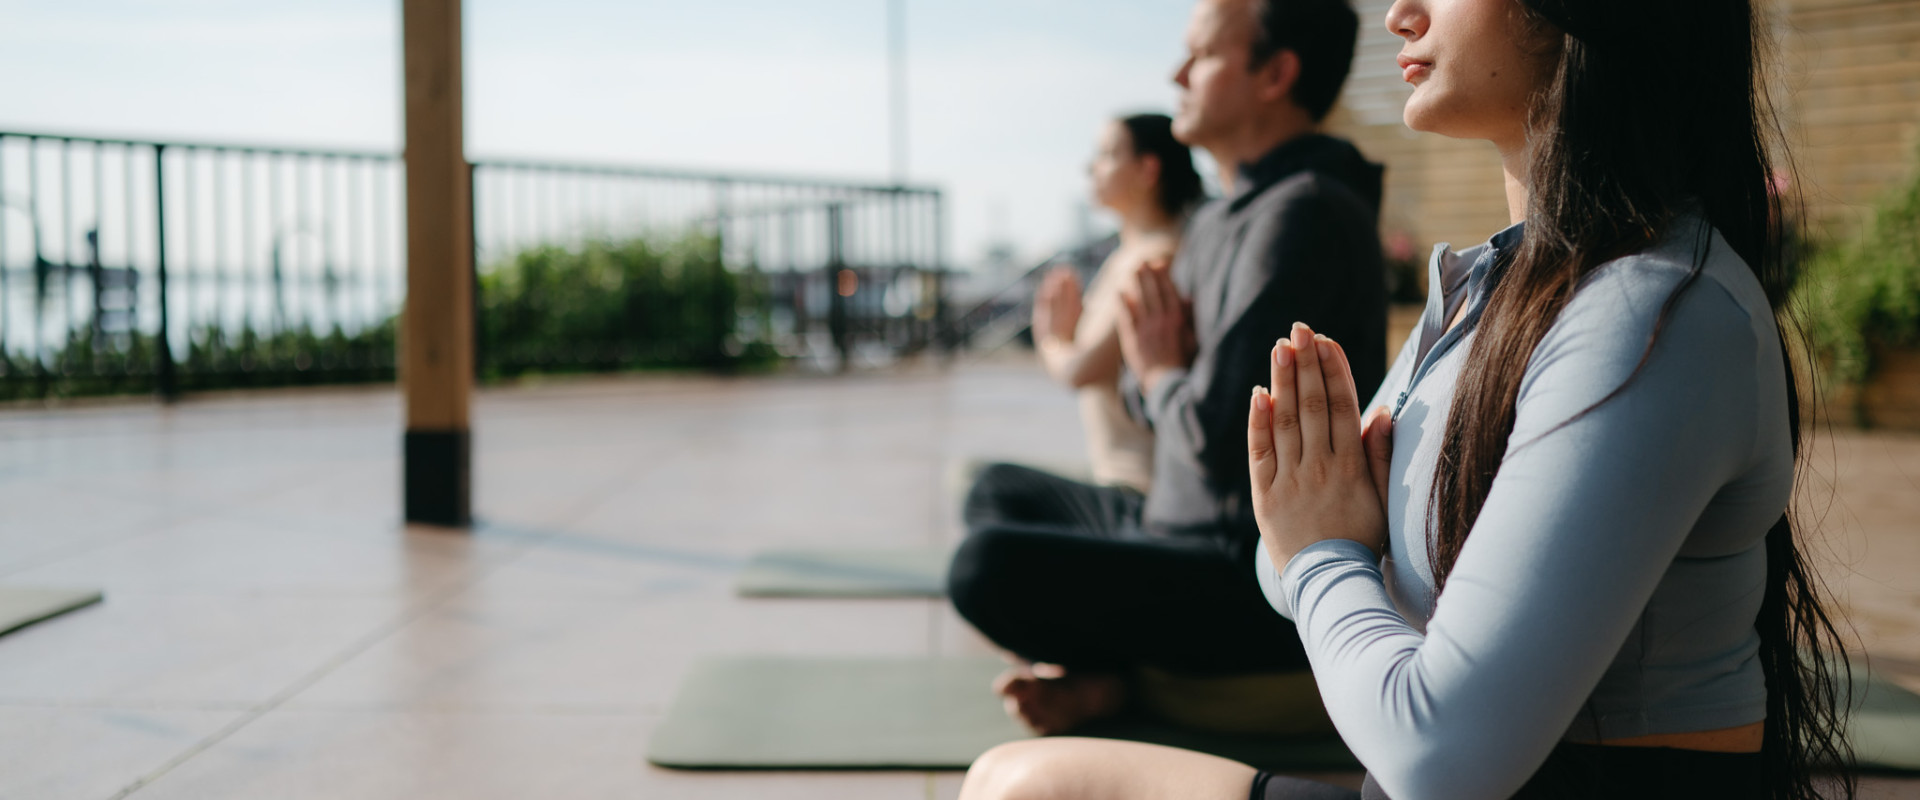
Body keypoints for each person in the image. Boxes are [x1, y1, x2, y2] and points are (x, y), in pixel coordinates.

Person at [957, 0, 1855, 797]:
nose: (1399, 13)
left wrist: (1329, 554)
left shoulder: (1654, 315)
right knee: (1014, 775)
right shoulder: (1490, 290)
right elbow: (1284, 555)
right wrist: (1320, 547)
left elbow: (1436, 755)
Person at [949, 0, 1385, 735]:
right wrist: (1158, 375)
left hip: (1240, 568)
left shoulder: (1304, 212)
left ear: (1276, 73)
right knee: (994, 490)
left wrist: (1159, 374)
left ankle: (1124, 683)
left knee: (984, 567)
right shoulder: (1220, 216)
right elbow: (1146, 387)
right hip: (1165, 522)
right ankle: (1112, 676)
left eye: (1203, 55)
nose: (1176, 73)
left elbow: (1214, 436)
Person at [1031, 113, 1205, 493]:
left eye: (1107, 154)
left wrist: (1051, 340)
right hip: (1115, 477)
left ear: (1147, 170)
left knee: (987, 487)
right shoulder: (1129, 254)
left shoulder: (1155, 259)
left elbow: (1082, 369)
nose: (1090, 167)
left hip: (1137, 487)